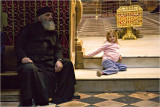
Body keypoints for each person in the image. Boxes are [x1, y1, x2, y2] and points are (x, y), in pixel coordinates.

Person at [16, 6, 79, 106]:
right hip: (33, 62)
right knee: (29, 69)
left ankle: (62, 96)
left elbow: (58, 49)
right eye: (47, 15)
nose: (51, 17)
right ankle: (33, 99)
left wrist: (59, 60)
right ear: (39, 18)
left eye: (51, 15)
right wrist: (23, 58)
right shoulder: (28, 29)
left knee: (67, 63)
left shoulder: (53, 32)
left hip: (49, 62)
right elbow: (19, 46)